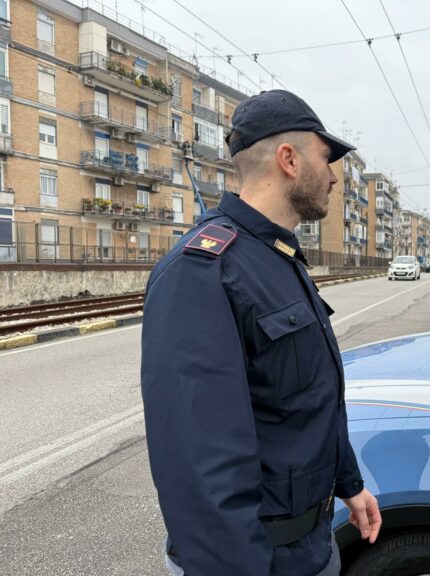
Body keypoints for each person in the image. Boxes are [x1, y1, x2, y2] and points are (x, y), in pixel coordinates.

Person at [141, 89, 381, 576]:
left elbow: (309, 399)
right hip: (254, 559)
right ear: (288, 159)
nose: (334, 175)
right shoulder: (204, 270)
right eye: (325, 157)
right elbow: (199, 465)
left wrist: (348, 483)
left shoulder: (276, 256)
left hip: (312, 543)